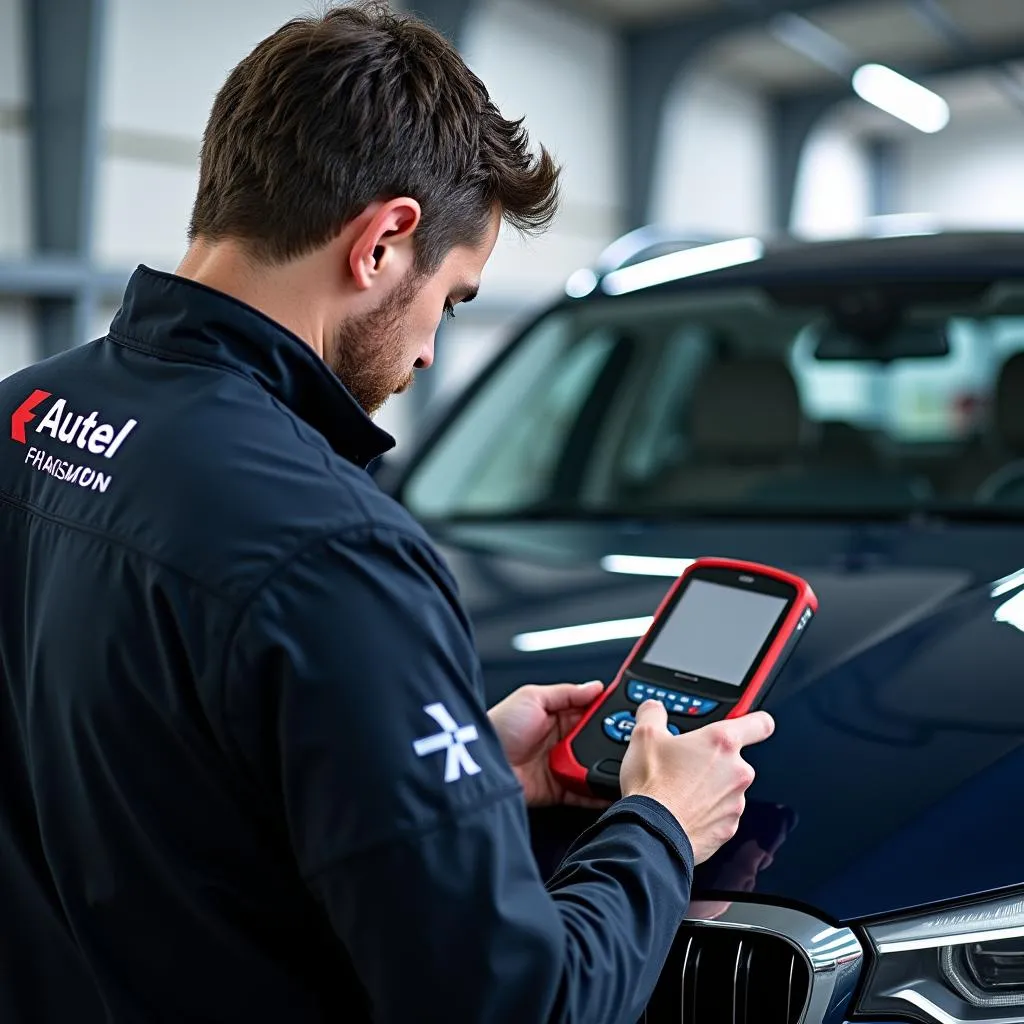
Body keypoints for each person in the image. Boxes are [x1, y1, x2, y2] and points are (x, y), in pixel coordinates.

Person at [0, 4, 774, 1021]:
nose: (426, 352)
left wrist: (451, 775)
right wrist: (661, 825)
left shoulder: (27, 413)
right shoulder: (335, 547)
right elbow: (519, 1002)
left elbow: (143, 782)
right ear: (383, 242)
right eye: (450, 301)